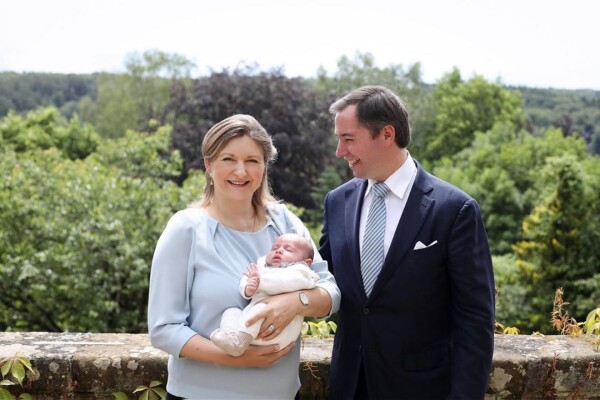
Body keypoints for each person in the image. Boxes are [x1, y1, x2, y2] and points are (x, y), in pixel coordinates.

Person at [319, 86, 495, 399]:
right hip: (349, 386)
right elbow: (322, 278)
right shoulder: (337, 202)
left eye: (348, 139)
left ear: (387, 134)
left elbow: (474, 320)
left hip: (422, 389)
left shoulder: (454, 210)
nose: (340, 151)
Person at [148, 114, 341, 399]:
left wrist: (295, 301)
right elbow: (163, 329)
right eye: (228, 159)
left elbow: (331, 294)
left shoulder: (285, 223)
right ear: (208, 165)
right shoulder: (186, 229)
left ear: (264, 167)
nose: (241, 171)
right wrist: (235, 357)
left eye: (252, 160)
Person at [210, 233, 319, 356]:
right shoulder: (262, 267)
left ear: (306, 262)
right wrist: (248, 288)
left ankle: (240, 341)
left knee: (263, 308)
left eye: (288, 249)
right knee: (231, 311)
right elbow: (247, 278)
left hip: (278, 332)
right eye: (275, 248)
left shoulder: (301, 272)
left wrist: (259, 281)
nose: (279, 251)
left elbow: (286, 283)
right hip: (251, 327)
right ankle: (232, 337)